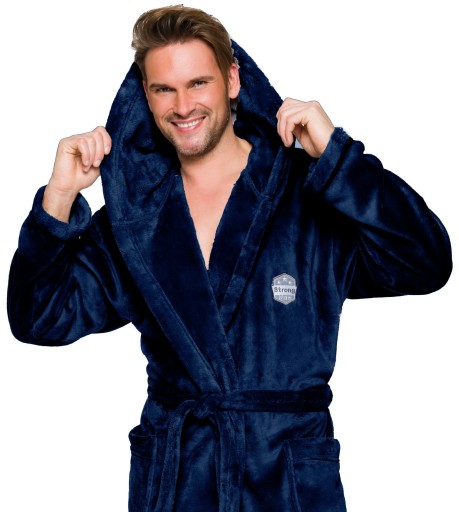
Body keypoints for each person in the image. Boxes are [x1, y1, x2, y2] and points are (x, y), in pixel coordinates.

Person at [7, 5, 452, 511]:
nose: (183, 106)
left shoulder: (306, 196)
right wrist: (59, 197)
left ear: (233, 79)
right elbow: (37, 318)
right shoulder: (135, 222)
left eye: (198, 83)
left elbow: (426, 262)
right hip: (179, 482)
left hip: (287, 483)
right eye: (164, 89)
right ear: (146, 95)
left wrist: (337, 156)